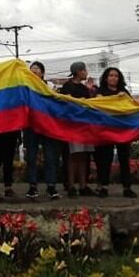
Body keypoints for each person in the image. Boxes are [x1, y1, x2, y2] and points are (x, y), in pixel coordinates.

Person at [93, 68, 137, 199]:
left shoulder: (124, 92)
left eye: (116, 76)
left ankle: (127, 188)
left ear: (119, 78)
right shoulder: (100, 92)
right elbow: (96, 107)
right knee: (105, 159)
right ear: (106, 78)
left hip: (122, 130)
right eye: (111, 75)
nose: (113, 78)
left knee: (124, 159)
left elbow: (132, 106)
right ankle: (104, 187)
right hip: (106, 130)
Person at [24, 61, 60, 200]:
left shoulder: (49, 86)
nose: (34, 71)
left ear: (43, 73)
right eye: (32, 69)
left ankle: (51, 186)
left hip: (47, 126)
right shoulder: (25, 87)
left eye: (37, 69)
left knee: (50, 157)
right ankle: (32, 187)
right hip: (31, 127)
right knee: (31, 158)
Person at [59, 62, 95, 198]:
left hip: (84, 125)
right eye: (84, 70)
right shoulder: (67, 87)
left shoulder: (84, 88)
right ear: (78, 71)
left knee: (83, 156)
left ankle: (83, 185)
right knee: (73, 156)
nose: (86, 72)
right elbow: (66, 103)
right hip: (72, 126)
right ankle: (71, 186)